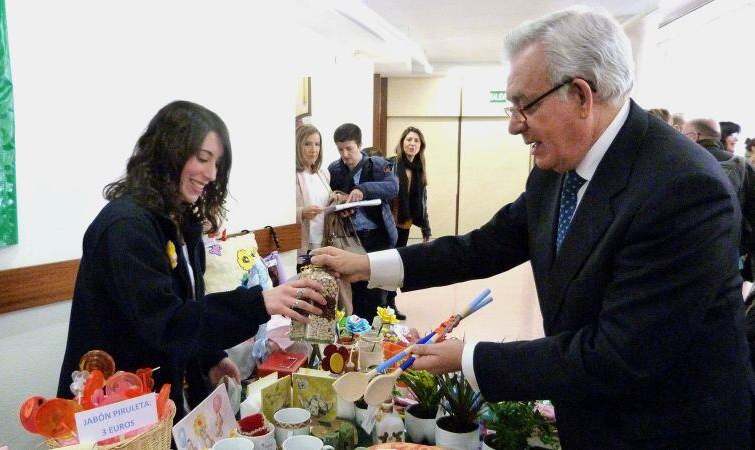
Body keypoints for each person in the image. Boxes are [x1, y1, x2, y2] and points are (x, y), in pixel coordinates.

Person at [313, 7, 753, 448]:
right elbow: (483, 246)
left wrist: (469, 358)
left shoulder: (682, 187)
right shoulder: (558, 167)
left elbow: (618, 354)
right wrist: (367, 265)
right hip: (591, 414)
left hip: (666, 429)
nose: (512, 125)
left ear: (581, 95)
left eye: (525, 106)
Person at [57, 101, 325, 421]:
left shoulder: (181, 220)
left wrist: (209, 358)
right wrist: (259, 303)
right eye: (202, 158)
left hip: (155, 398)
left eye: (217, 164)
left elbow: (188, 306)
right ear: (168, 151)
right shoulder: (126, 227)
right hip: (113, 406)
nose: (211, 174)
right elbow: (168, 324)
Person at [327, 123, 398, 321]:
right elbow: (331, 197)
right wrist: (340, 200)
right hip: (351, 238)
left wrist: (363, 189)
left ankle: (376, 337)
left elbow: (392, 188)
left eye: (349, 148)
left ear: (359, 145)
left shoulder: (376, 164)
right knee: (354, 290)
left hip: (378, 236)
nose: (345, 154)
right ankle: (356, 336)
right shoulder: (334, 169)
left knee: (377, 290)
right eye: (340, 149)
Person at [683, 118, 755, 280]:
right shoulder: (742, 166)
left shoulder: (678, 160)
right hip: (727, 252)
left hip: (680, 252)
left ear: (694, 136)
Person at [385, 126, 432, 320]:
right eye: (408, 140)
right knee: (385, 264)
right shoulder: (391, 165)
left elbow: (423, 202)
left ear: (420, 146)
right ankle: (382, 304)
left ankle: (390, 303)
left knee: (396, 265)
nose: (412, 144)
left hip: (404, 225)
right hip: (387, 225)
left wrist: (426, 228)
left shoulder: (419, 170)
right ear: (402, 143)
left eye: (416, 141)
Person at [295, 124, 331, 268]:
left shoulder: (323, 173)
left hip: (323, 241)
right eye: (307, 144)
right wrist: (301, 212)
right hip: (303, 244)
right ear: (298, 146)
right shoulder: (291, 175)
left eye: (317, 144)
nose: (314, 150)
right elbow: (279, 211)